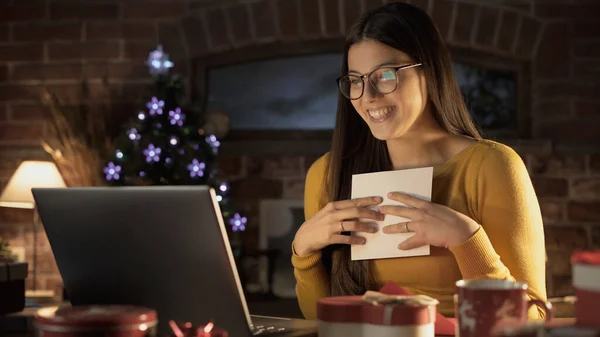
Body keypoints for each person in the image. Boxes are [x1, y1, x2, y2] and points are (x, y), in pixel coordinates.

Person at [291, 2, 547, 320]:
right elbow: (322, 323)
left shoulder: (491, 167)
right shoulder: (327, 174)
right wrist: (303, 251)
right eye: (356, 80)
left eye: (385, 75)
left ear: (429, 70)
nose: (368, 96)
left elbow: (532, 319)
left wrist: (466, 240)